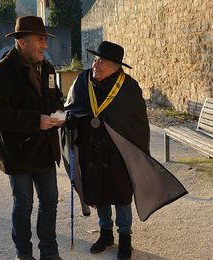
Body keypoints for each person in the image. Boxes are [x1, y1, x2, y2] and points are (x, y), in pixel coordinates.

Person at [63, 41, 187, 260]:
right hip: (91, 148)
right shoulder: (83, 80)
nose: (95, 64)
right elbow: (71, 107)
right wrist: (71, 120)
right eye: (95, 59)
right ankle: (105, 233)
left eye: (101, 61)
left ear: (115, 67)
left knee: (120, 194)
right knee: (99, 192)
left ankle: (125, 238)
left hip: (119, 151)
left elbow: (136, 123)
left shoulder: (128, 86)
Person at [0, 16, 64, 260]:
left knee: (50, 201)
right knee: (24, 204)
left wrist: (60, 113)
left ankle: (49, 252)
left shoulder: (47, 68)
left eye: (45, 40)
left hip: (45, 150)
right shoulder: (1, 72)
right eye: (40, 40)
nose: (45, 45)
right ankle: (24, 254)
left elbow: (55, 98)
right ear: (22, 42)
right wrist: (34, 120)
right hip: (17, 152)